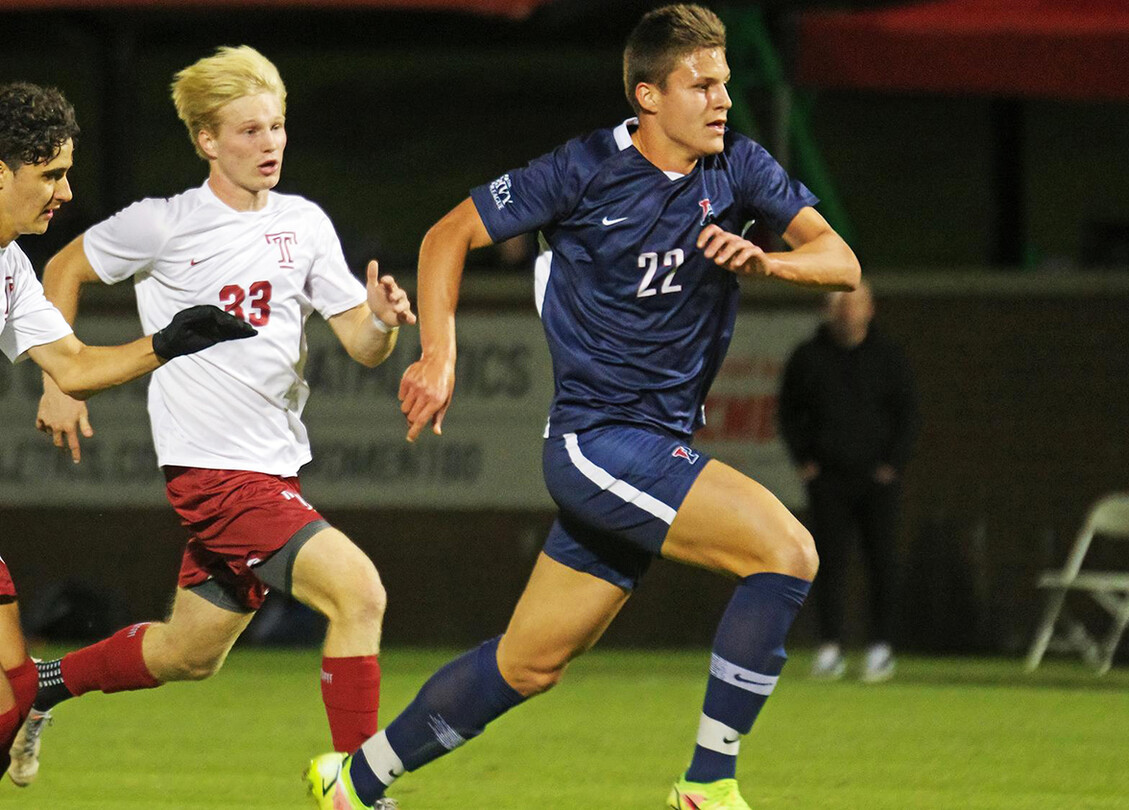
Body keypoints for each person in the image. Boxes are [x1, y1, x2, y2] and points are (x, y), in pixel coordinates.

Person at [305, 5, 859, 809]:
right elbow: (446, 236)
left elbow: (839, 260)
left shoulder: (738, 166)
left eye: (725, 83)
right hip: (599, 442)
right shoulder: (583, 170)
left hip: (649, 445)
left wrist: (768, 261)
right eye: (700, 85)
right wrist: (439, 353)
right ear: (647, 96)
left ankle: (355, 782)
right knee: (788, 554)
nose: (722, 100)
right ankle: (708, 784)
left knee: (528, 664)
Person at [18, 48, 414, 801]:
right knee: (359, 593)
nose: (270, 145)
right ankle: (358, 783)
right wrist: (59, 378)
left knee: (187, 654)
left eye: (278, 128)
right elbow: (61, 268)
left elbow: (362, 345)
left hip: (274, 469)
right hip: (213, 473)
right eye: (249, 131)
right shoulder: (164, 224)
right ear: (206, 139)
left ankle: (43, 685)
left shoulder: (303, 224)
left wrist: (387, 324)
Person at [0, 81, 254, 779]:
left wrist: (167, 342)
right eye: (50, 174)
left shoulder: (10, 270)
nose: (65, 191)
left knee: (11, 691)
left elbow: (73, 365)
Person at [777, 281, 917, 682]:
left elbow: (908, 414)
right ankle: (829, 648)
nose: (846, 311)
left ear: (869, 309)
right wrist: (805, 461)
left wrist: (892, 464)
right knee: (827, 564)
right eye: (839, 304)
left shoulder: (889, 358)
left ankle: (879, 648)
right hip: (829, 481)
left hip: (877, 481)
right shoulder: (808, 357)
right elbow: (789, 412)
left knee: (882, 562)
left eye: (854, 304)